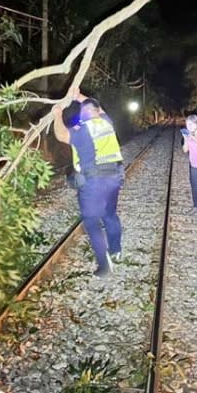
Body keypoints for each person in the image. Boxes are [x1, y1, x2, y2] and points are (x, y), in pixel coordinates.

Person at [53, 87, 124, 277]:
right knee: (109, 214)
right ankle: (116, 250)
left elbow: (61, 135)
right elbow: (98, 109)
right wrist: (78, 97)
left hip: (94, 181)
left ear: (84, 113)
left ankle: (104, 265)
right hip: (115, 176)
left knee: (92, 222)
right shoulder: (107, 122)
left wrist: (57, 114)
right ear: (97, 111)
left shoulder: (83, 130)